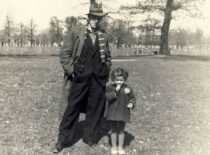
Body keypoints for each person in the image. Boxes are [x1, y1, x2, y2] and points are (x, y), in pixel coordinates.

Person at [53, 1, 111, 154]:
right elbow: (65, 54)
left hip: (98, 78)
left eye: (99, 18)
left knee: (95, 108)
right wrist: (72, 71)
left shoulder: (103, 35)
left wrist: (106, 69)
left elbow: (108, 56)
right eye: (93, 17)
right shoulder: (76, 32)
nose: (96, 20)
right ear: (88, 17)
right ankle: (63, 139)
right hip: (79, 77)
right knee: (71, 108)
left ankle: (90, 137)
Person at [105, 68, 136, 155]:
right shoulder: (110, 87)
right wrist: (116, 91)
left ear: (124, 79)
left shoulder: (128, 88)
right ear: (113, 80)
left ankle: (120, 147)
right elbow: (108, 97)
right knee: (114, 130)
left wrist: (131, 103)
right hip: (113, 113)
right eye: (117, 80)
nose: (119, 82)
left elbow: (132, 98)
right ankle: (114, 147)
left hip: (123, 112)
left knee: (121, 130)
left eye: (121, 80)